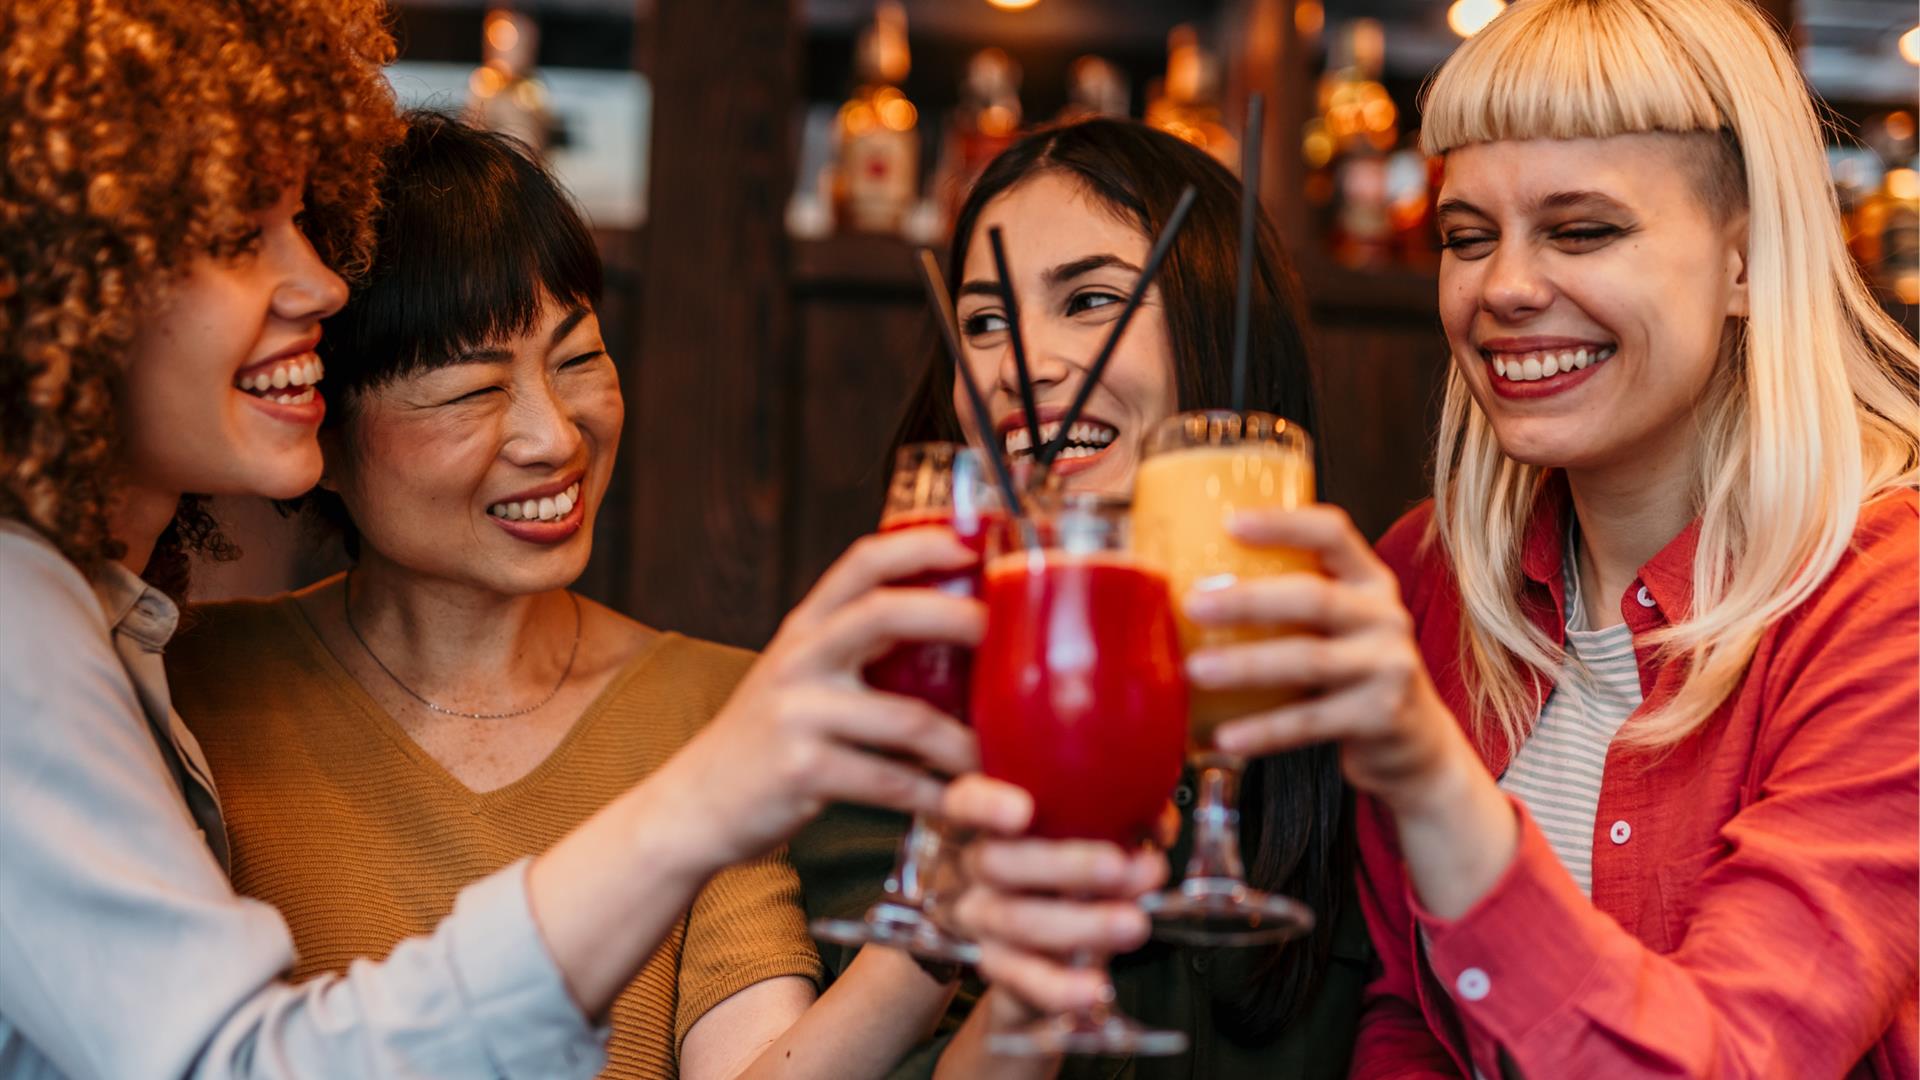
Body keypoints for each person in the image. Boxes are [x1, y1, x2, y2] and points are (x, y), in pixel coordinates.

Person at [940, 1, 1920, 1076]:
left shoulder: (1886, 600)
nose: (1504, 288)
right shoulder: (1431, 574)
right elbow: (1410, 1012)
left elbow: (1738, 1058)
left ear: (1747, 262)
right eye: (1467, 238)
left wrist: (1426, 772)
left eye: (1582, 229)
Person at [0, 7, 979, 1078]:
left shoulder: (114, 636)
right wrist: (701, 803)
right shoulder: (97, 650)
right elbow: (240, 1063)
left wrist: (961, 936)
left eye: (580, 359)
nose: (553, 436)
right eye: (242, 236)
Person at [789, 117, 1368, 1079]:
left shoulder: (1359, 695)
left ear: (1219, 329)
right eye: (983, 322)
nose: (1027, 364)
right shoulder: (899, 707)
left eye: (1091, 300)